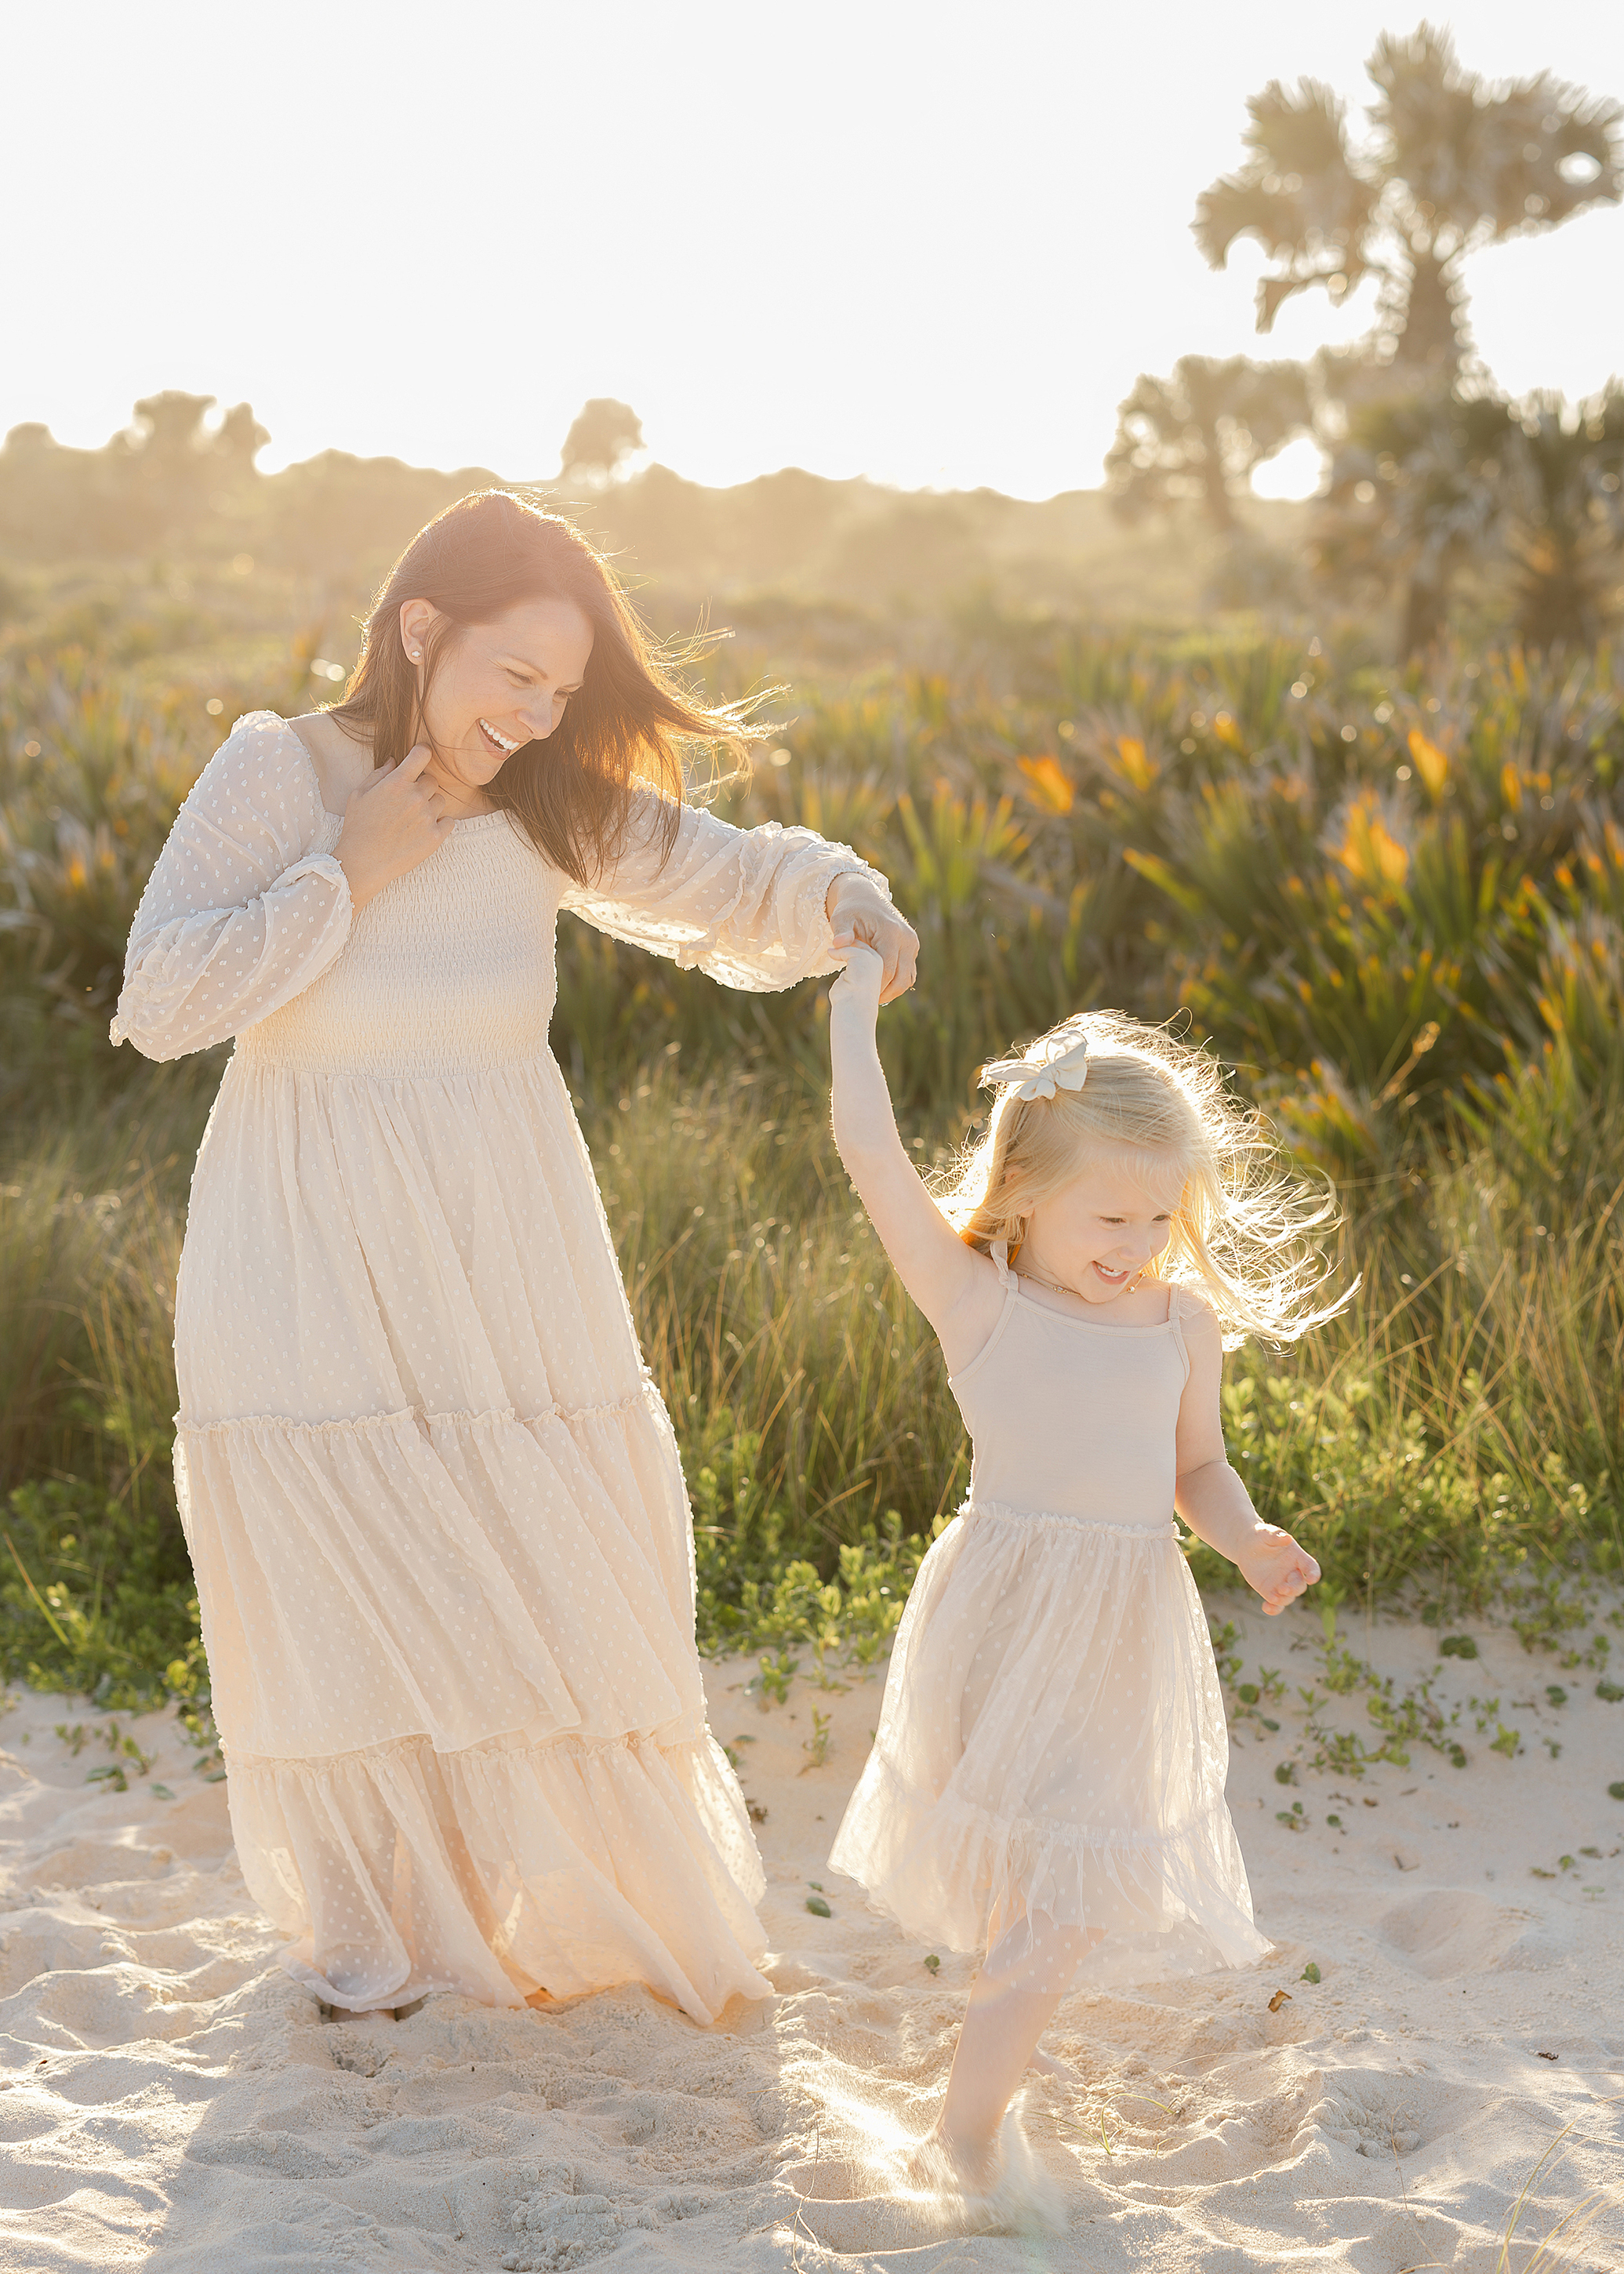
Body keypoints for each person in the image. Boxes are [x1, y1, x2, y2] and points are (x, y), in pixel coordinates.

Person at [110, 489, 917, 2027]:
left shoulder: (547, 796)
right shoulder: (279, 770)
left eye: (562, 691)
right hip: (307, 1230)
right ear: (423, 627)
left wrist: (839, 897)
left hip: (503, 1231)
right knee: (349, 1579)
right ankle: (371, 1952)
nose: (536, 715)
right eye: (514, 676)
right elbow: (161, 998)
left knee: (536, 1566)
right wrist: (349, 867)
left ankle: (474, 1916)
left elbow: (712, 871)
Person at [806, 949, 1341, 2229]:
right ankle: (972, 2133)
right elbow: (875, 1161)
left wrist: (1251, 1537)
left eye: (1160, 1219)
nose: (1141, 1246)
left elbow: (1195, 1466)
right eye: (1112, 1219)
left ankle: (969, 2122)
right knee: (1027, 1904)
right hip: (1002, 1618)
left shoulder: (1178, 1325)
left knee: (1057, 1911)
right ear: (1027, 1194)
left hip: (1119, 1637)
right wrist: (846, 1009)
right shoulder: (976, 1303)